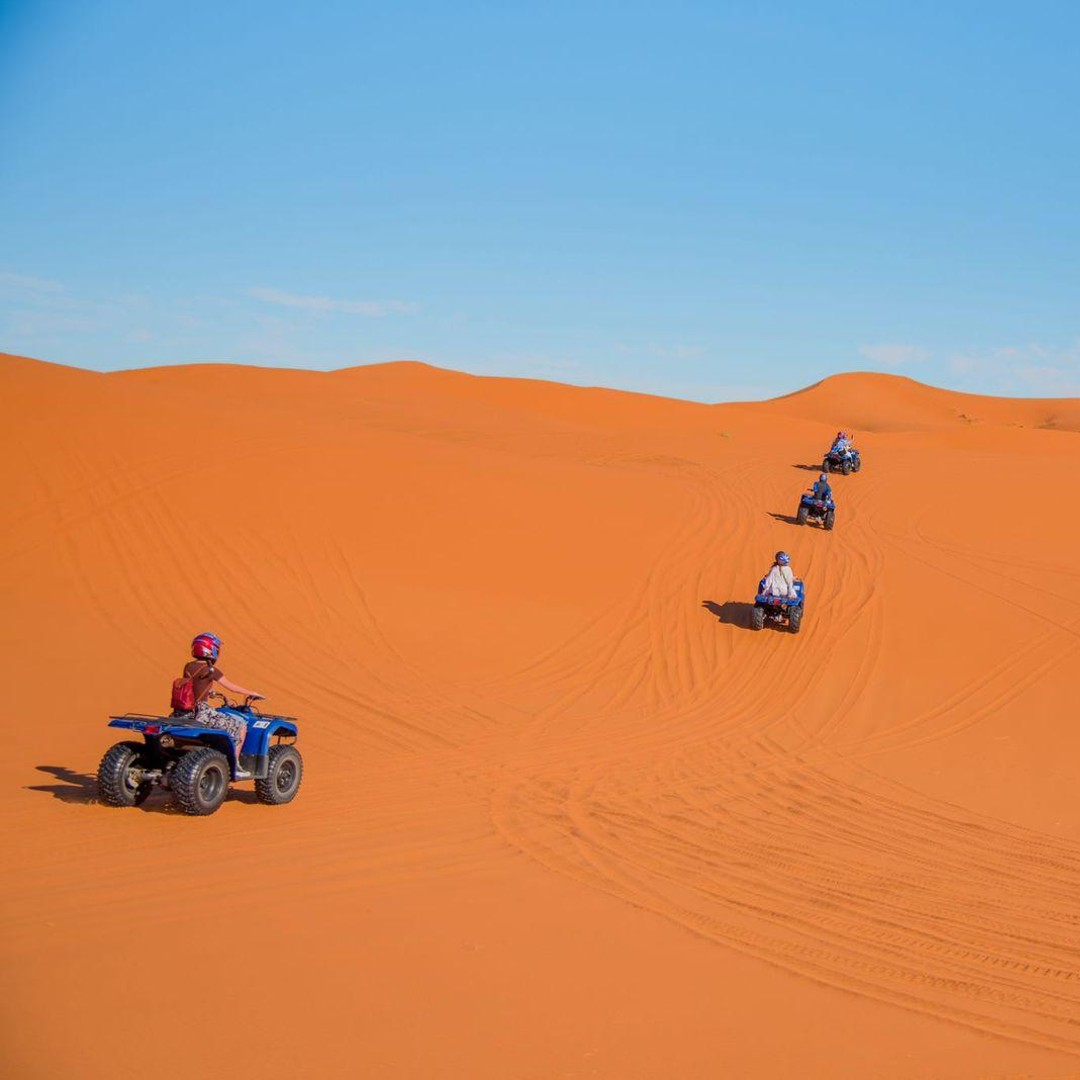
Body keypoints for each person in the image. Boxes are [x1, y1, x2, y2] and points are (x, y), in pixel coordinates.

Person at [182, 633, 264, 766]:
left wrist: (210, 693)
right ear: (210, 650)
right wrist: (252, 692)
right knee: (240, 726)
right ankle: (234, 764)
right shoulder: (211, 670)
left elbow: (193, 687)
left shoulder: (188, 667)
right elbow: (232, 688)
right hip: (202, 714)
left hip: (185, 711)